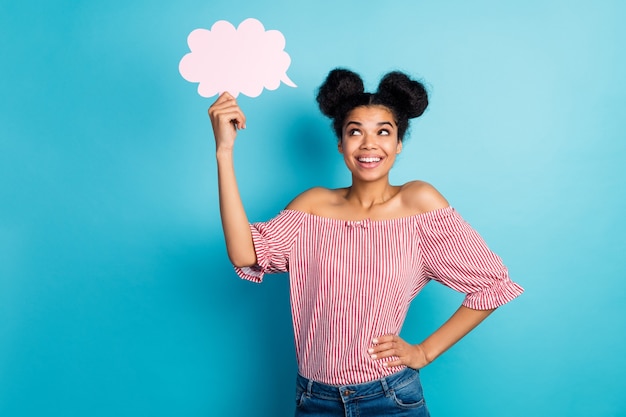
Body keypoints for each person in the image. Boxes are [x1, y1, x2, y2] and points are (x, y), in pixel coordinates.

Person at [209, 68, 524, 416]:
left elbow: (493, 285)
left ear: (399, 143)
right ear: (341, 144)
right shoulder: (312, 207)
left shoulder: (418, 203)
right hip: (315, 399)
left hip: (388, 398)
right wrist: (224, 152)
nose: (369, 143)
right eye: (355, 131)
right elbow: (244, 254)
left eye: (383, 132)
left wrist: (424, 352)